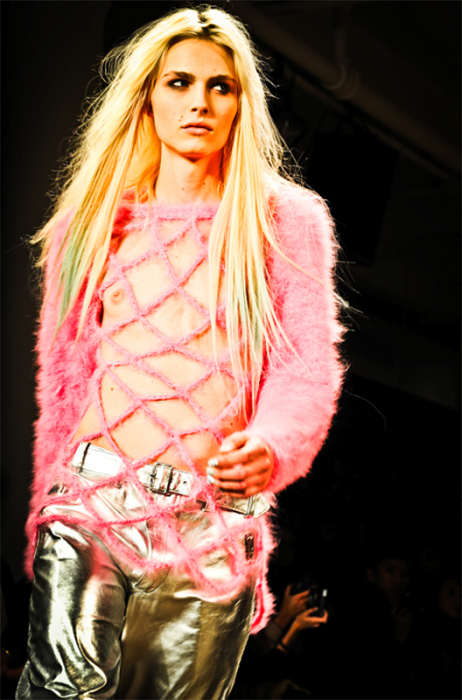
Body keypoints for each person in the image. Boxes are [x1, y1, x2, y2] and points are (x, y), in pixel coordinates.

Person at [16, 6, 344, 699]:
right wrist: (44, 510)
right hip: (92, 501)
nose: (200, 101)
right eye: (179, 82)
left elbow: (305, 368)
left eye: (220, 86)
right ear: (148, 96)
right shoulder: (92, 222)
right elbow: (64, 380)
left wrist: (272, 446)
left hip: (211, 519)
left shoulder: (285, 221)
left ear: (241, 103)